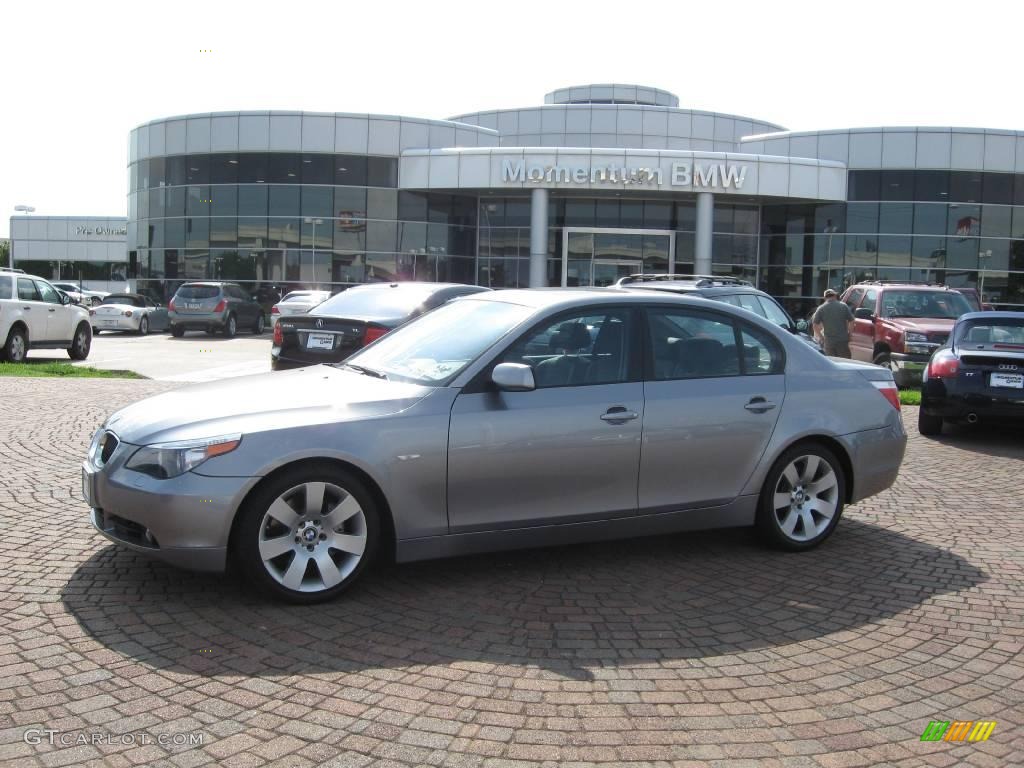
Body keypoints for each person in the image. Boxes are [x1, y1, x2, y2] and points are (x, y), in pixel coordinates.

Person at [812, 289, 854, 358]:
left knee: (831, 362)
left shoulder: (821, 308)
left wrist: (821, 338)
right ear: (835, 296)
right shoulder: (843, 306)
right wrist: (850, 334)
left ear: (825, 297)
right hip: (842, 341)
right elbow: (852, 321)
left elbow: (815, 325)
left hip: (829, 342)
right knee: (845, 362)